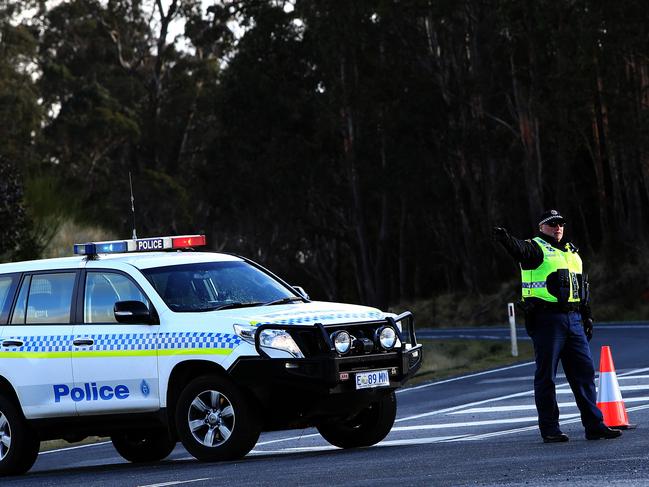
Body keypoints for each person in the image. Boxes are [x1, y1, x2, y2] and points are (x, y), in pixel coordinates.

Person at [493, 209, 622, 443]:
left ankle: (594, 425)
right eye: (552, 224)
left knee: (584, 374)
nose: (557, 227)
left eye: (560, 223)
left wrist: (587, 316)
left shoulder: (572, 252)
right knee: (547, 377)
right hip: (546, 320)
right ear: (542, 227)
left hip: (573, 319)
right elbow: (518, 249)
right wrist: (506, 240)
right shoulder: (535, 248)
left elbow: (581, 287)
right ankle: (550, 429)